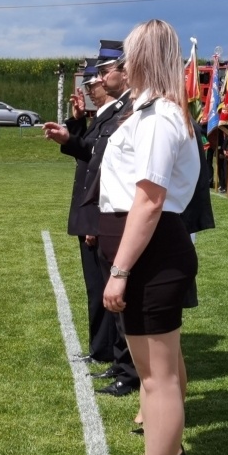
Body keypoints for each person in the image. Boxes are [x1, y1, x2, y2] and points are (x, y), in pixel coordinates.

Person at [100, 19, 199, 455]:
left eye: (129, 54)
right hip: (145, 246)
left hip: (154, 249)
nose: (121, 64)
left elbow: (150, 199)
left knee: (159, 381)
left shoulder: (160, 117)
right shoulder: (148, 113)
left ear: (145, 58)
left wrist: (119, 271)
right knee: (151, 378)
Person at [45, 46, 140, 396]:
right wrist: (70, 136)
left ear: (125, 71)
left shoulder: (129, 111)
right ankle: (118, 362)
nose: (95, 81)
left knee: (116, 297)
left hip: (113, 216)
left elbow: (113, 171)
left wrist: (98, 221)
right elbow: (92, 156)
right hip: (102, 214)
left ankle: (127, 369)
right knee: (102, 293)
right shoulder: (114, 111)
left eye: (102, 73)